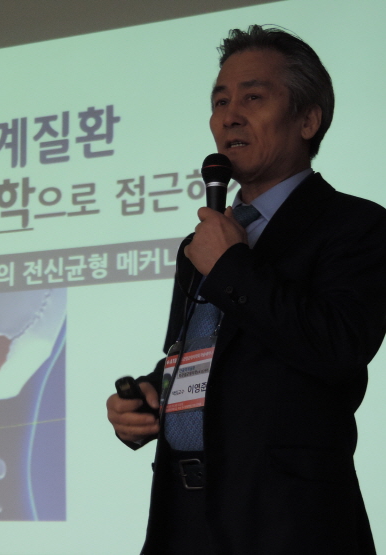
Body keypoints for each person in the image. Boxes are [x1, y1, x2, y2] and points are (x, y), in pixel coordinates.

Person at [106, 25, 386, 555]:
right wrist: (150, 395)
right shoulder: (201, 243)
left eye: (252, 98)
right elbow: (208, 354)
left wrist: (231, 266)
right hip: (184, 520)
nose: (229, 116)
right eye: (220, 101)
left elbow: (338, 346)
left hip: (288, 524)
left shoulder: (357, 225)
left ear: (308, 120)